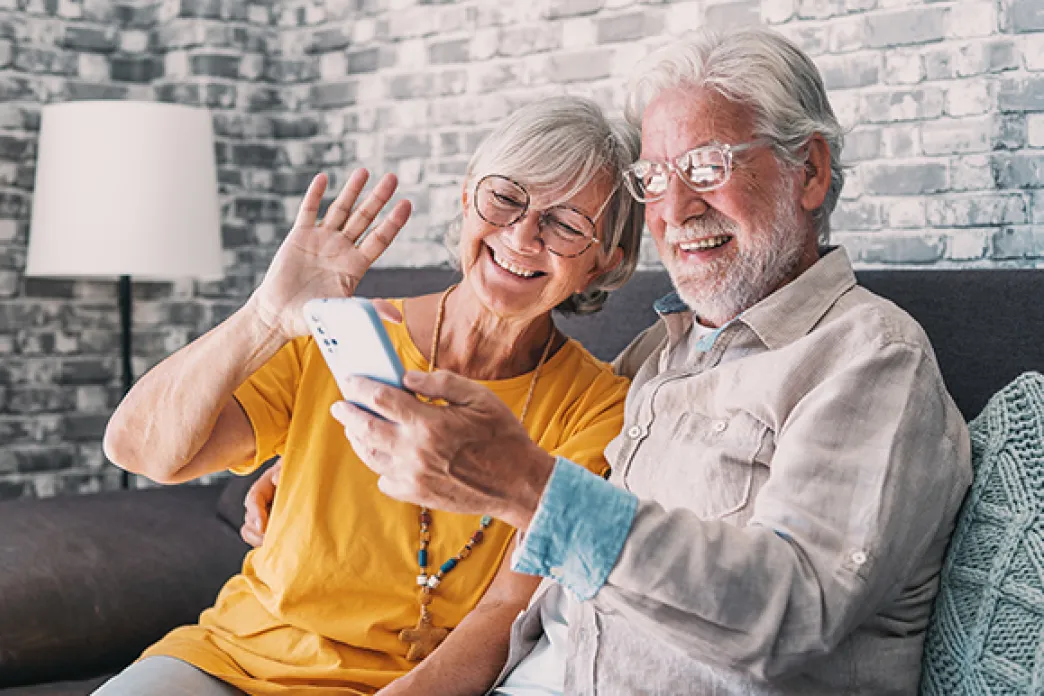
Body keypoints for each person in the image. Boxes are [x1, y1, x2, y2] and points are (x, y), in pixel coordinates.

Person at [323, 28, 973, 694]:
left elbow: (793, 611)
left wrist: (531, 487)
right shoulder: (658, 357)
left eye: (708, 167)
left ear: (809, 172)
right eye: (655, 178)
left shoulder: (869, 358)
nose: (675, 209)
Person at [97, 96, 643, 695]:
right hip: (228, 661)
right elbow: (140, 451)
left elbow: (507, 609)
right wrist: (265, 318)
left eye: (566, 223)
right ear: (467, 200)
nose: (521, 235)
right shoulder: (340, 332)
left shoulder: (600, 406)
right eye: (507, 198)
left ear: (602, 265)